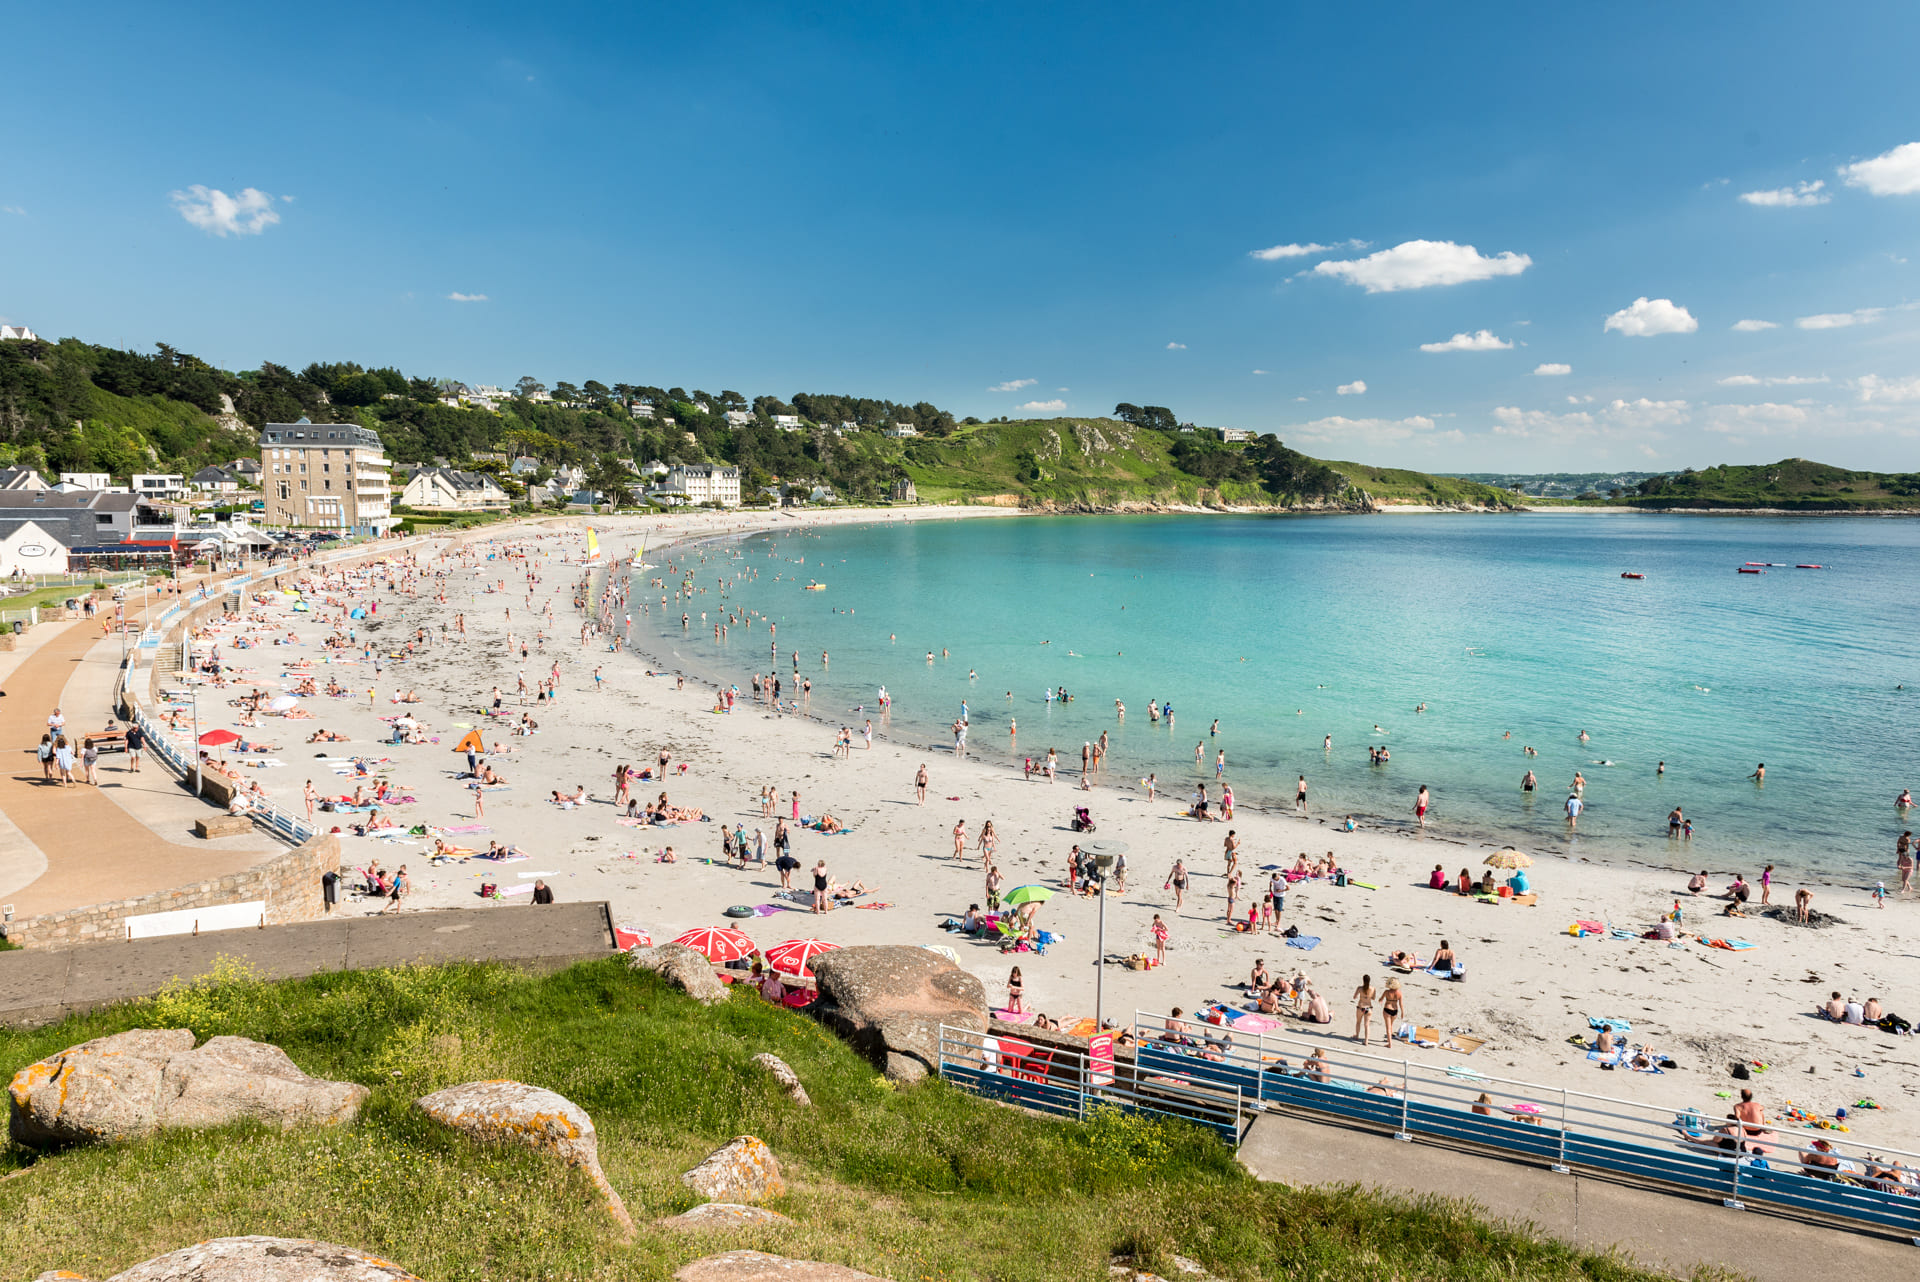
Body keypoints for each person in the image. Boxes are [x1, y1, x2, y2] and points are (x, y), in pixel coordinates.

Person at [1379, 978, 1404, 1045]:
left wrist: (1380, 1001)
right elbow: (1401, 1004)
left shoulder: (1386, 992)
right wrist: (1402, 1012)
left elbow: (1381, 999)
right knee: (1391, 1025)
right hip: (1395, 1010)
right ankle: (1388, 1039)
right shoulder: (1399, 993)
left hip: (1387, 1009)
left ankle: (1390, 1043)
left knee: (1388, 1027)